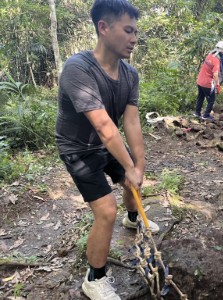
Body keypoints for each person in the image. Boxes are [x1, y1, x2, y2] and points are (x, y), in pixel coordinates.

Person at [55, 1, 159, 299]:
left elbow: (131, 120)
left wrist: (138, 164)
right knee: (105, 211)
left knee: (134, 179)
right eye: (128, 30)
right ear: (103, 27)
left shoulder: (130, 75)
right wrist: (129, 165)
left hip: (105, 142)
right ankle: (94, 278)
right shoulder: (78, 68)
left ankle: (133, 219)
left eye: (136, 31)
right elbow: (102, 124)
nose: (134, 38)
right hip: (78, 148)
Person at [193, 41, 223, 120]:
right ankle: (206, 115)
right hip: (207, 83)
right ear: (222, 52)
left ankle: (197, 112)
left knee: (200, 97)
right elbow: (215, 75)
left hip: (200, 80)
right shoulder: (216, 61)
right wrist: (217, 85)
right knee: (211, 100)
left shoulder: (209, 56)